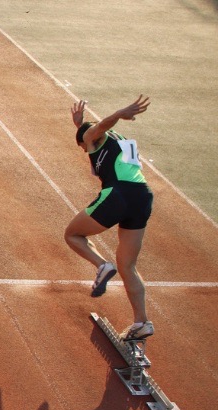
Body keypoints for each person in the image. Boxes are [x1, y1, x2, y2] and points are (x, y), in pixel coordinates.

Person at [66, 95, 155, 340]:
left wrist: (119, 113)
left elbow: (98, 129)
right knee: (128, 265)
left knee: (73, 234)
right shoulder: (120, 140)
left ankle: (101, 265)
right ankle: (142, 322)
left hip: (119, 194)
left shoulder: (91, 137)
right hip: (142, 196)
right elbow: (96, 132)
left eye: (83, 147)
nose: (85, 151)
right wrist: (80, 124)